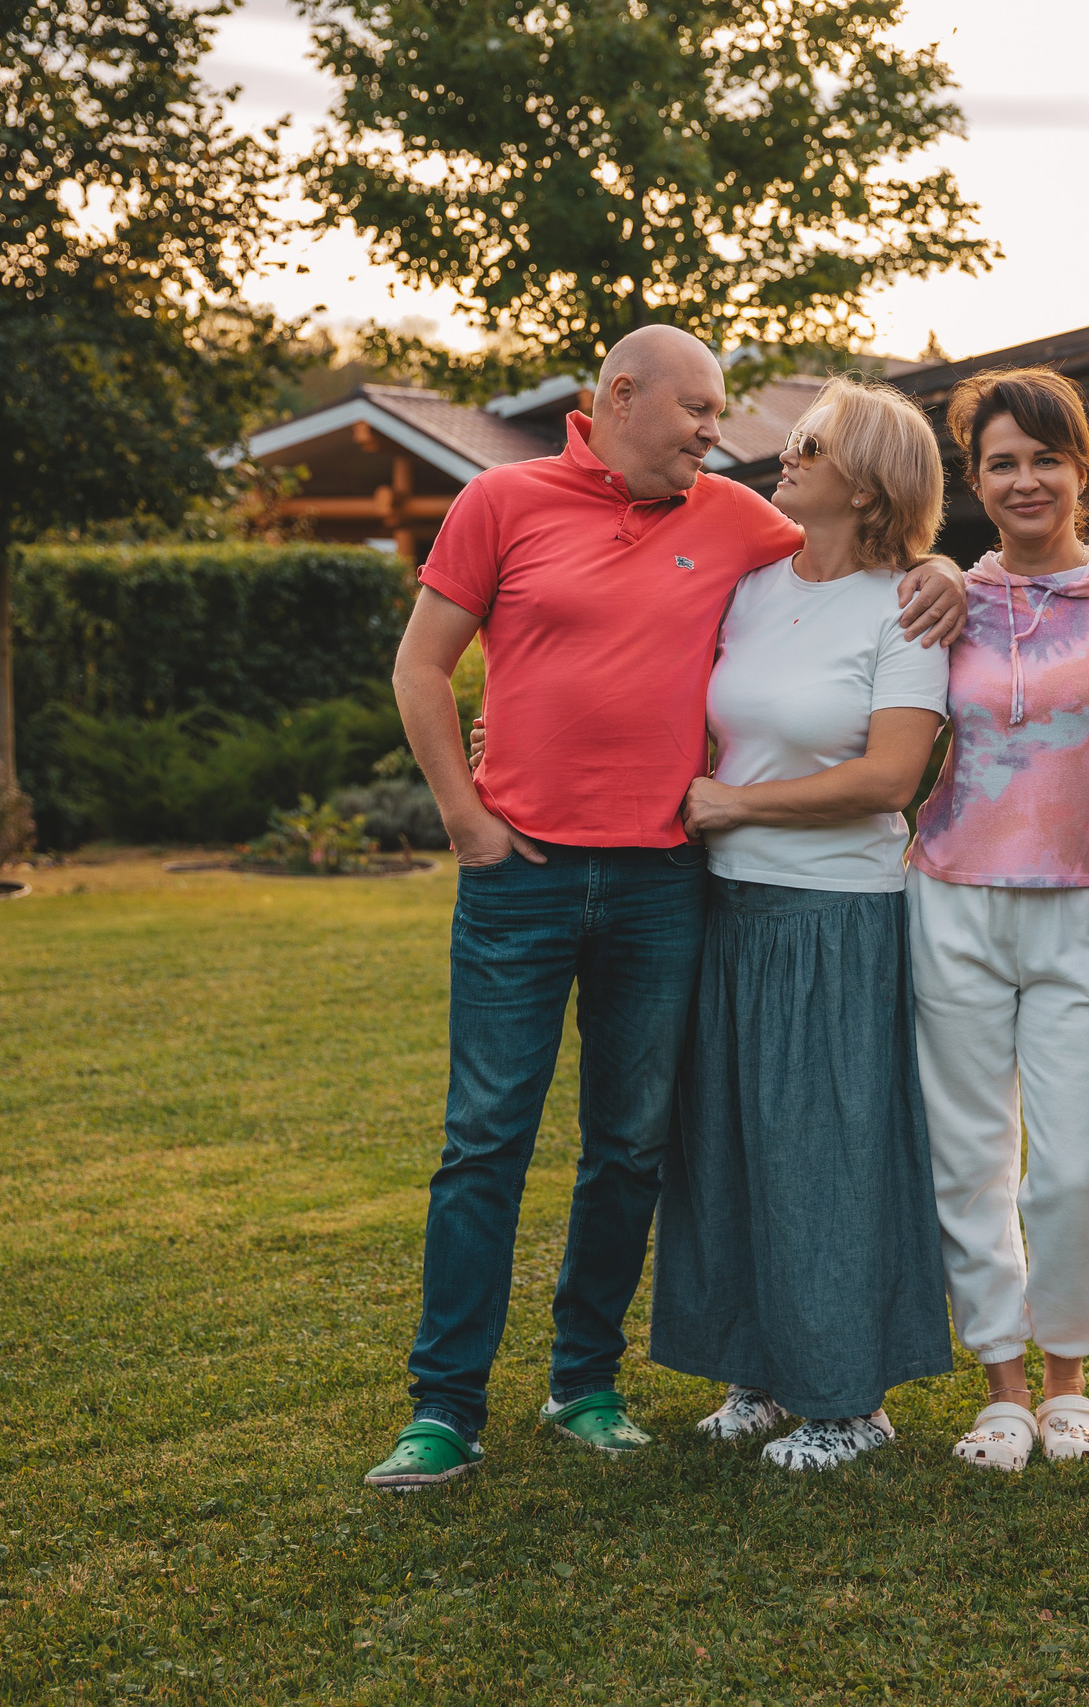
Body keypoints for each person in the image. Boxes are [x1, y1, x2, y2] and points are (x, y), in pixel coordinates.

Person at [362, 329, 964, 1493]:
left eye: (726, 417)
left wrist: (952, 573)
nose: (716, 434)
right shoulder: (499, 500)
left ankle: (584, 1381)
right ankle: (444, 1408)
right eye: (697, 411)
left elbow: (870, 549)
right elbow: (420, 667)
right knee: (483, 1142)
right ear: (620, 396)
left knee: (632, 1148)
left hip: (662, 881)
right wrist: (467, 821)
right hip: (518, 878)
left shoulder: (737, 520)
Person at [648, 374, 955, 1472]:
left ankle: (849, 1401)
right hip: (725, 904)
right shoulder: (753, 586)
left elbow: (888, 778)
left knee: (823, 1152)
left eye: (814, 444)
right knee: (731, 1142)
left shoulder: (910, 607)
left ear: (870, 482)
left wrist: (735, 803)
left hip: (834, 915)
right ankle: (759, 1375)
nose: (788, 453)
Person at [906, 368, 1089, 1473]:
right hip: (953, 895)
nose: (1024, 481)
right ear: (975, 480)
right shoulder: (943, 597)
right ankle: (1001, 1390)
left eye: (1044, 459)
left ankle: (1069, 1383)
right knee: (967, 1157)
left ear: (1080, 470)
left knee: (1068, 1172)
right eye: (1000, 463)